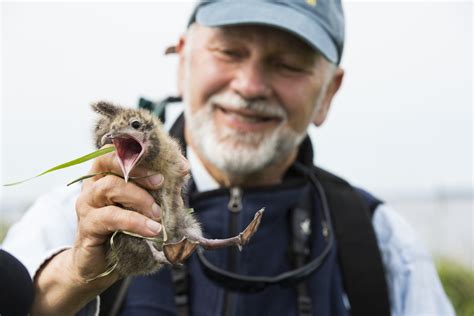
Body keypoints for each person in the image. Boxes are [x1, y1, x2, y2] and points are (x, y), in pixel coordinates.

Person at [2, 1, 454, 315]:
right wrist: (74, 277)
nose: (250, 86)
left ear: (328, 93)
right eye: (229, 51)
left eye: (289, 64)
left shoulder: (382, 245)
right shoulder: (77, 215)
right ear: (182, 62)